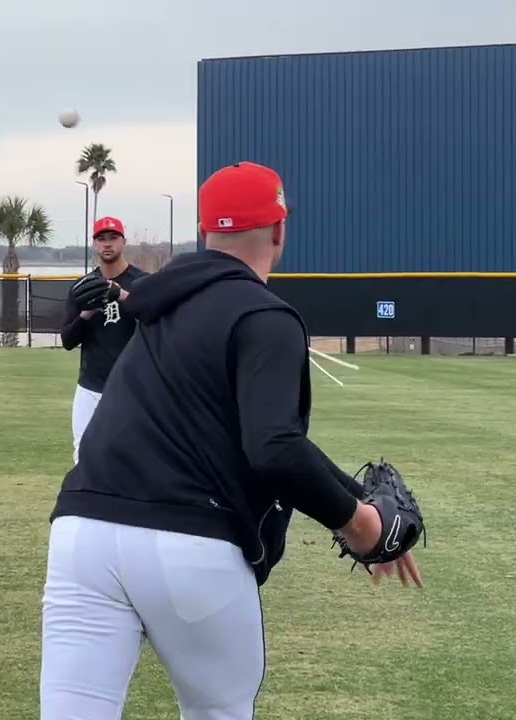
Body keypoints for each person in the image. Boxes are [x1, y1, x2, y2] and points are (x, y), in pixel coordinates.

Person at [38, 161, 422, 720]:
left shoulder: (160, 308)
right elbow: (274, 447)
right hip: (190, 546)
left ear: (204, 233)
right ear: (279, 230)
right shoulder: (265, 315)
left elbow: (267, 439)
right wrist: (361, 523)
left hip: (82, 538)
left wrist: (353, 498)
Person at [59, 216, 149, 464]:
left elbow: (157, 319)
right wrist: (85, 315)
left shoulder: (142, 283)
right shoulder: (83, 286)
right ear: (94, 245)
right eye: (101, 239)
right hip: (91, 385)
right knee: (83, 455)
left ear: (123, 242)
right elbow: (67, 340)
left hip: (134, 385)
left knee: (135, 456)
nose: (107, 244)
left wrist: (122, 295)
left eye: (113, 238)